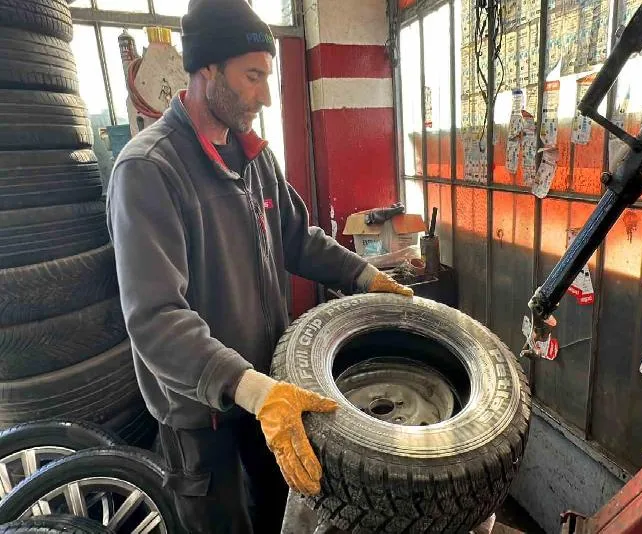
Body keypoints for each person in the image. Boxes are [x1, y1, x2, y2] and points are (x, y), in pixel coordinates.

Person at [105, 0, 413, 532]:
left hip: (269, 391)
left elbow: (297, 237)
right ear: (206, 69)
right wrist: (248, 388)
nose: (265, 95)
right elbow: (155, 319)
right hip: (203, 414)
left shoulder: (254, 158)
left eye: (267, 77)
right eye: (252, 76)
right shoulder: (148, 171)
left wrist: (366, 278)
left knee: (278, 514)